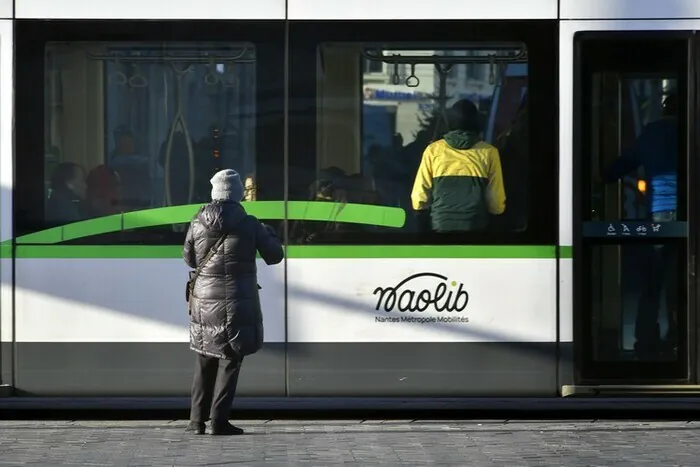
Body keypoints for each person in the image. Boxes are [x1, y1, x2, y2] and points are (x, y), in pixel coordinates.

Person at [183, 168, 284, 435]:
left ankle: (196, 422)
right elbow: (274, 256)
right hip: (237, 300)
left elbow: (190, 260)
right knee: (230, 359)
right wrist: (269, 234)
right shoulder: (250, 224)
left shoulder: (197, 222)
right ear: (238, 194)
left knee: (205, 358)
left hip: (204, 300)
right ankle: (219, 421)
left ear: (214, 193)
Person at [603, 92, 679, 357]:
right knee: (681, 279)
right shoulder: (691, 130)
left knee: (653, 281)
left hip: (658, 214)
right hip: (688, 215)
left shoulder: (652, 133)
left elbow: (623, 164)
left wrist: (601, 174)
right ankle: (680, 336)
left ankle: (646, 338)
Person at [410, 99, 506, 232]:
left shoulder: (433, 151)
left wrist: (423, 220)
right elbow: (496, 202)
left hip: (440, 226)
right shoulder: (490, 153)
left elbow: (419, 196)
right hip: (475, 227)